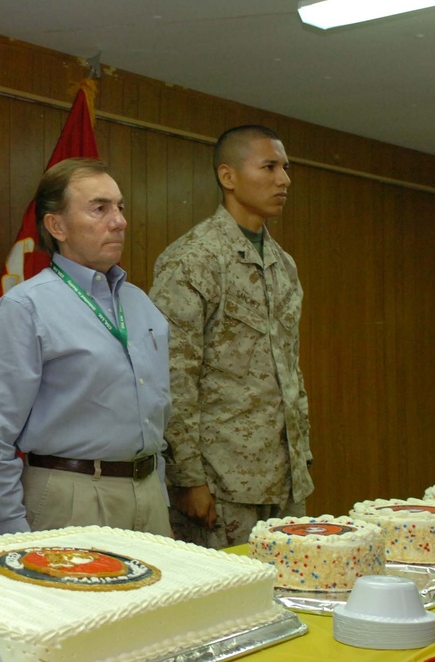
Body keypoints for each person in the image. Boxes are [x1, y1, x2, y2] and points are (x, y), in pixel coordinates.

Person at [0, 157, 172, 537]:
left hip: (149, 494)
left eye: (120, 207)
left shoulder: (142, 305)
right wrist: (12, 531)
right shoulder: (25, 307)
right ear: (56, 226)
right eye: (100, 208)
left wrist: (157, 494)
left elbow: (157, 415)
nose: (120, 221)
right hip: (71, 497)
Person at [149, 125, 313, 549]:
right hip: (220, 484)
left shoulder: (283, 264)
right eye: (269, 167)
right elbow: (172, 376)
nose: (284, 180)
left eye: (286, 168)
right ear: (228, 176)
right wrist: (187, 478)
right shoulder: (193, 259)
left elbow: (290, 370)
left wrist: (301, 458)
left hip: (285, 479)